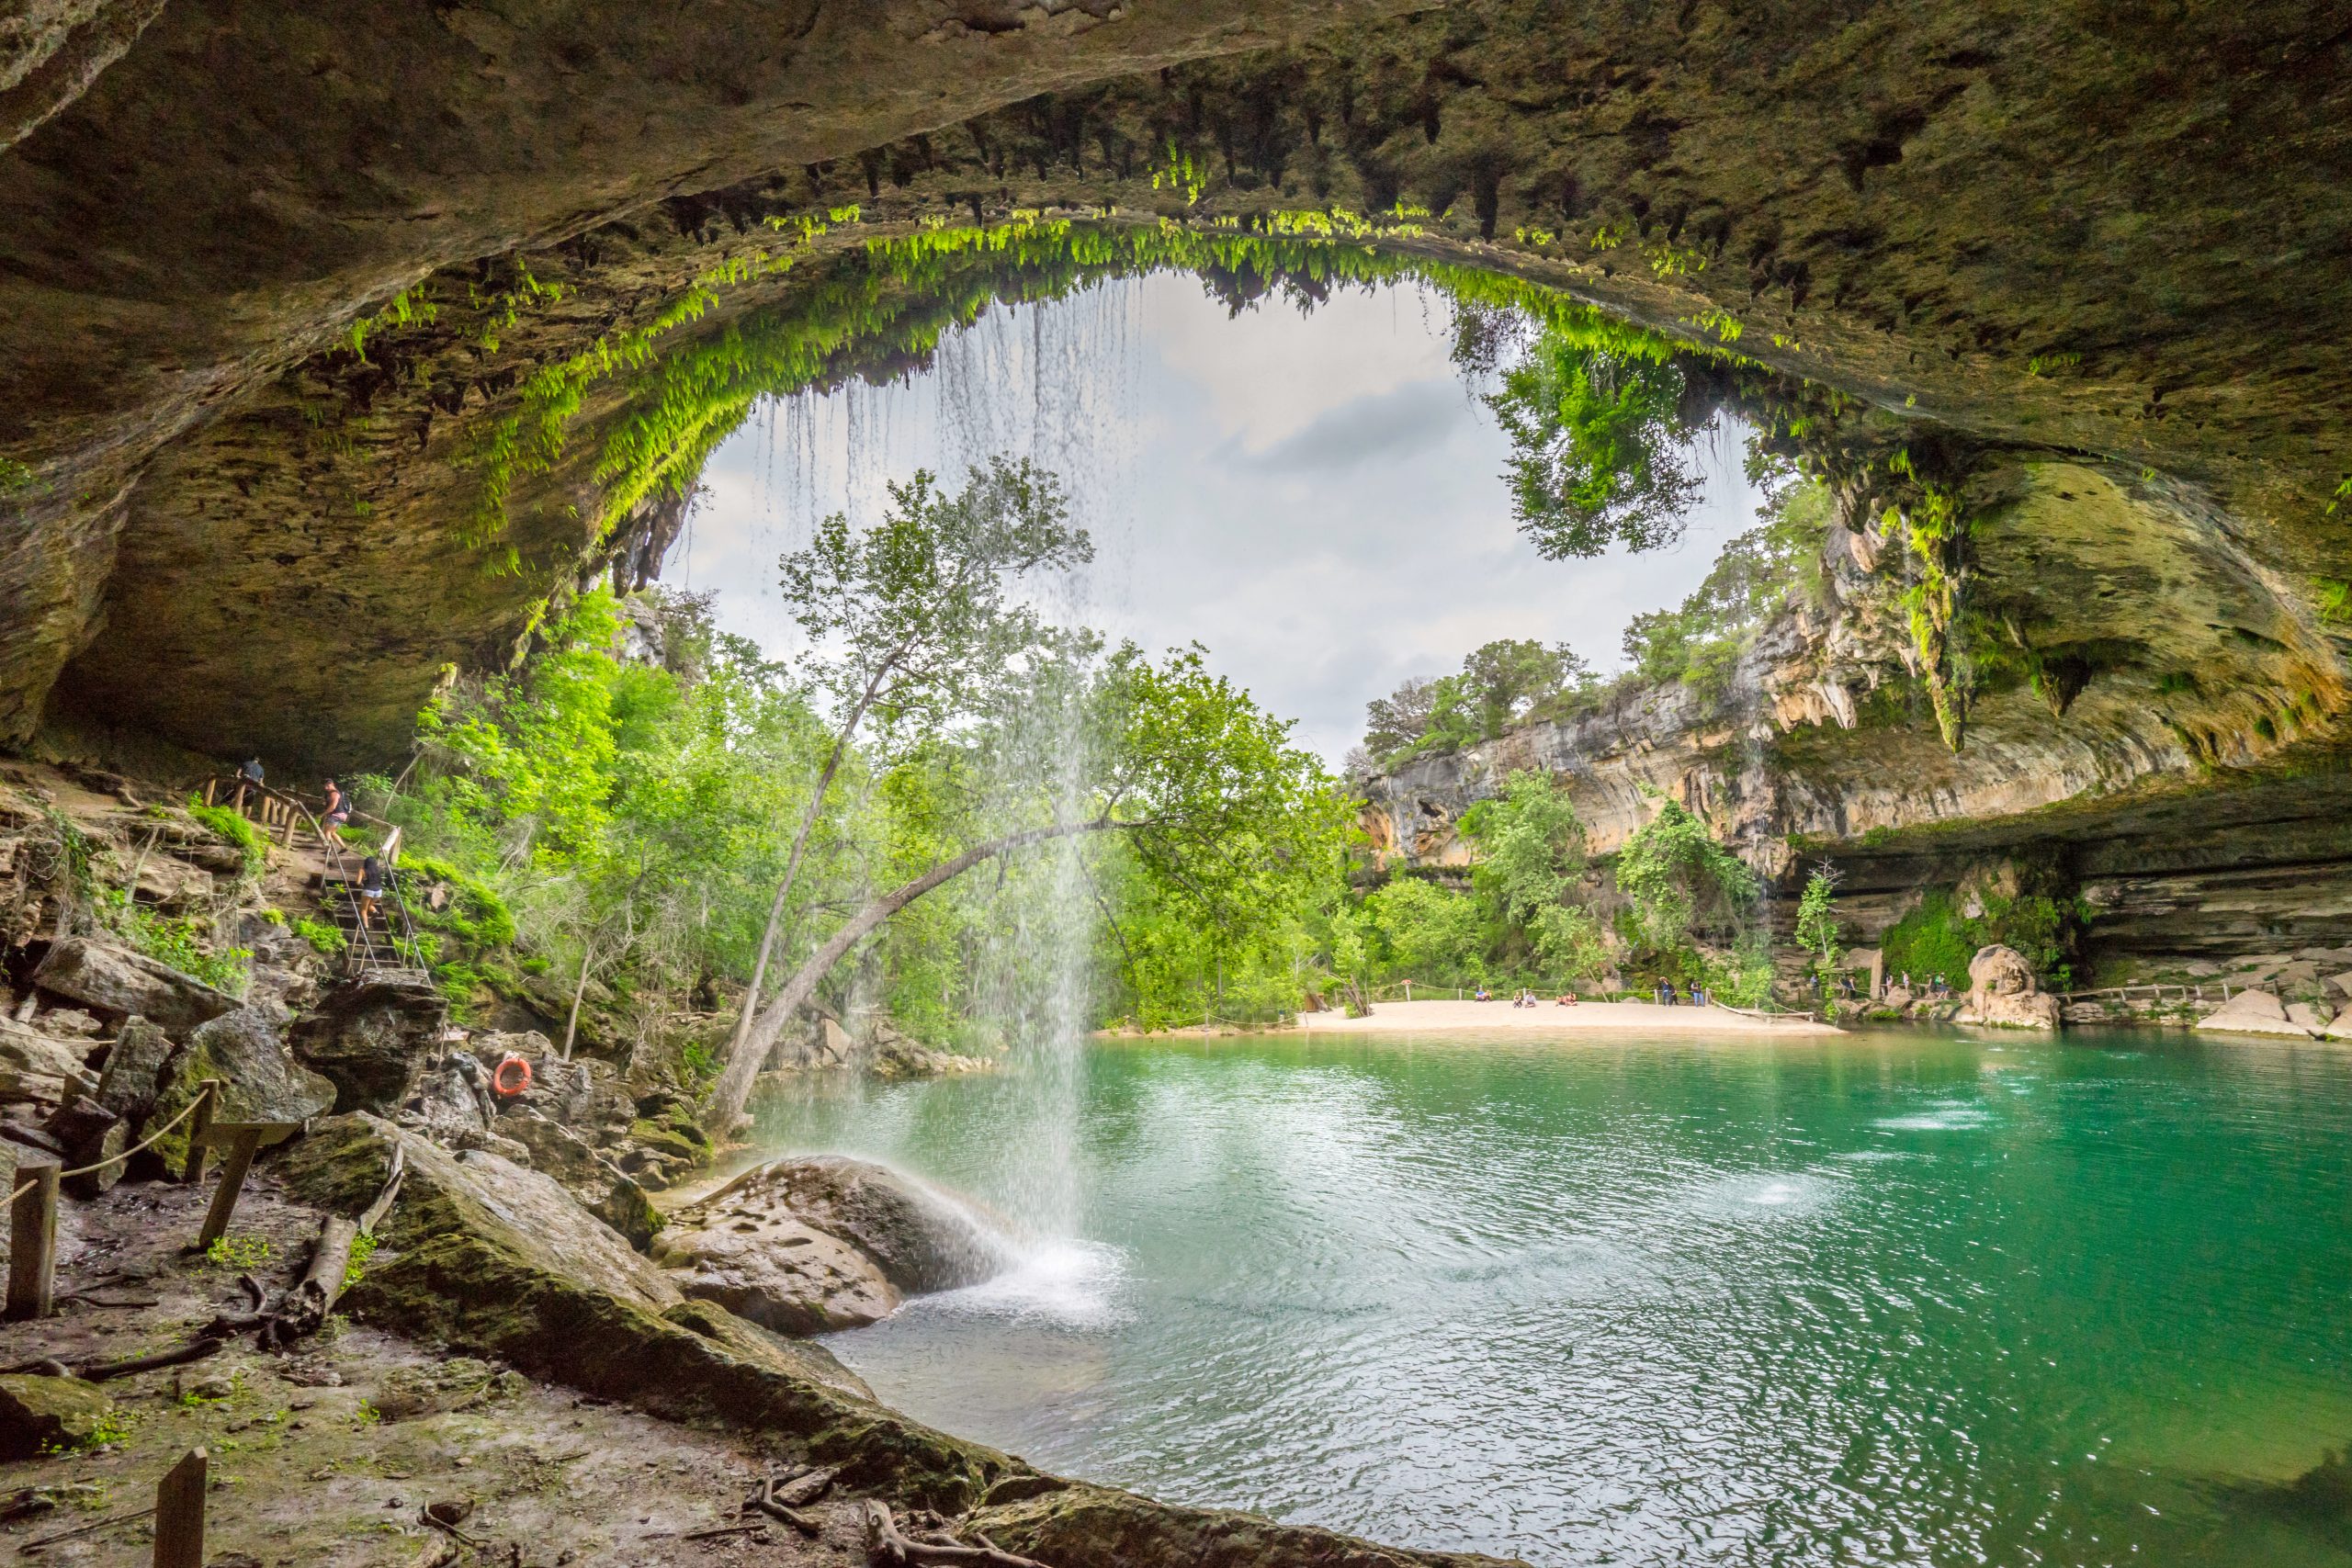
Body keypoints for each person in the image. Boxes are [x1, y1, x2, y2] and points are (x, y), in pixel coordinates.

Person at [321, 778, 352, 848]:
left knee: (327, 832)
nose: (326, 788)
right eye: (325, 786)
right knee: (332, 833)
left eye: (327, 786)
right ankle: (343, 847)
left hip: (336, 815)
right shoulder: (336, 793)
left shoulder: (334, 793)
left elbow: (333, 807)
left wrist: (323, 814)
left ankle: (328, 849)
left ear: (332, 784)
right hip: (342, 815)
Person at [356, 853, 386, 927]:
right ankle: (375, 911)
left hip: (368, 890)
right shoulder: (378, 870)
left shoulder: (362, 870)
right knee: (370, 905)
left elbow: (358, 882)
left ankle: (366, 926)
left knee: (363, 910)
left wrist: (362, 884)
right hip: (379, 891)